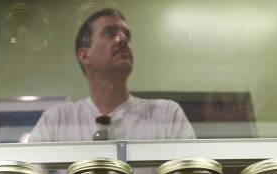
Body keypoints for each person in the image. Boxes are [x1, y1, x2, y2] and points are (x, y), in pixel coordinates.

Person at [30, 8, 195, 142]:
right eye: (109, 33)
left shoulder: (167, 114)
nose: (122, 39)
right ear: (84, 56)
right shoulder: (57, 119)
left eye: (126, 35)